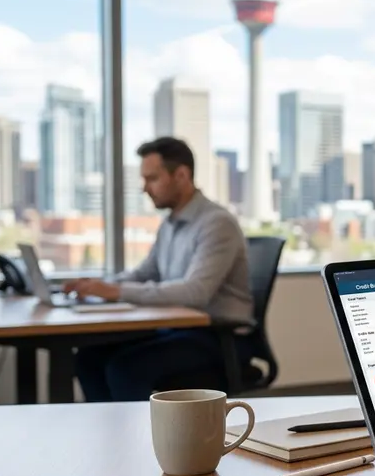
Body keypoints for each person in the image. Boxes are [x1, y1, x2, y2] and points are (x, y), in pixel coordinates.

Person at [66, 136, 254, 402]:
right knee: (88, 359)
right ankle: (112, 438)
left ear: (181, 175)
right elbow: (144, 274)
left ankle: (140, 442)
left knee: (125, 369)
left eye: (152, 179)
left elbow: (195, 292)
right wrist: (97, 285)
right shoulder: (171, 224)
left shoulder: (216, 223)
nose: (145, 188)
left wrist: (116, 291)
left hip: (220, 337)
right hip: (180, 331)